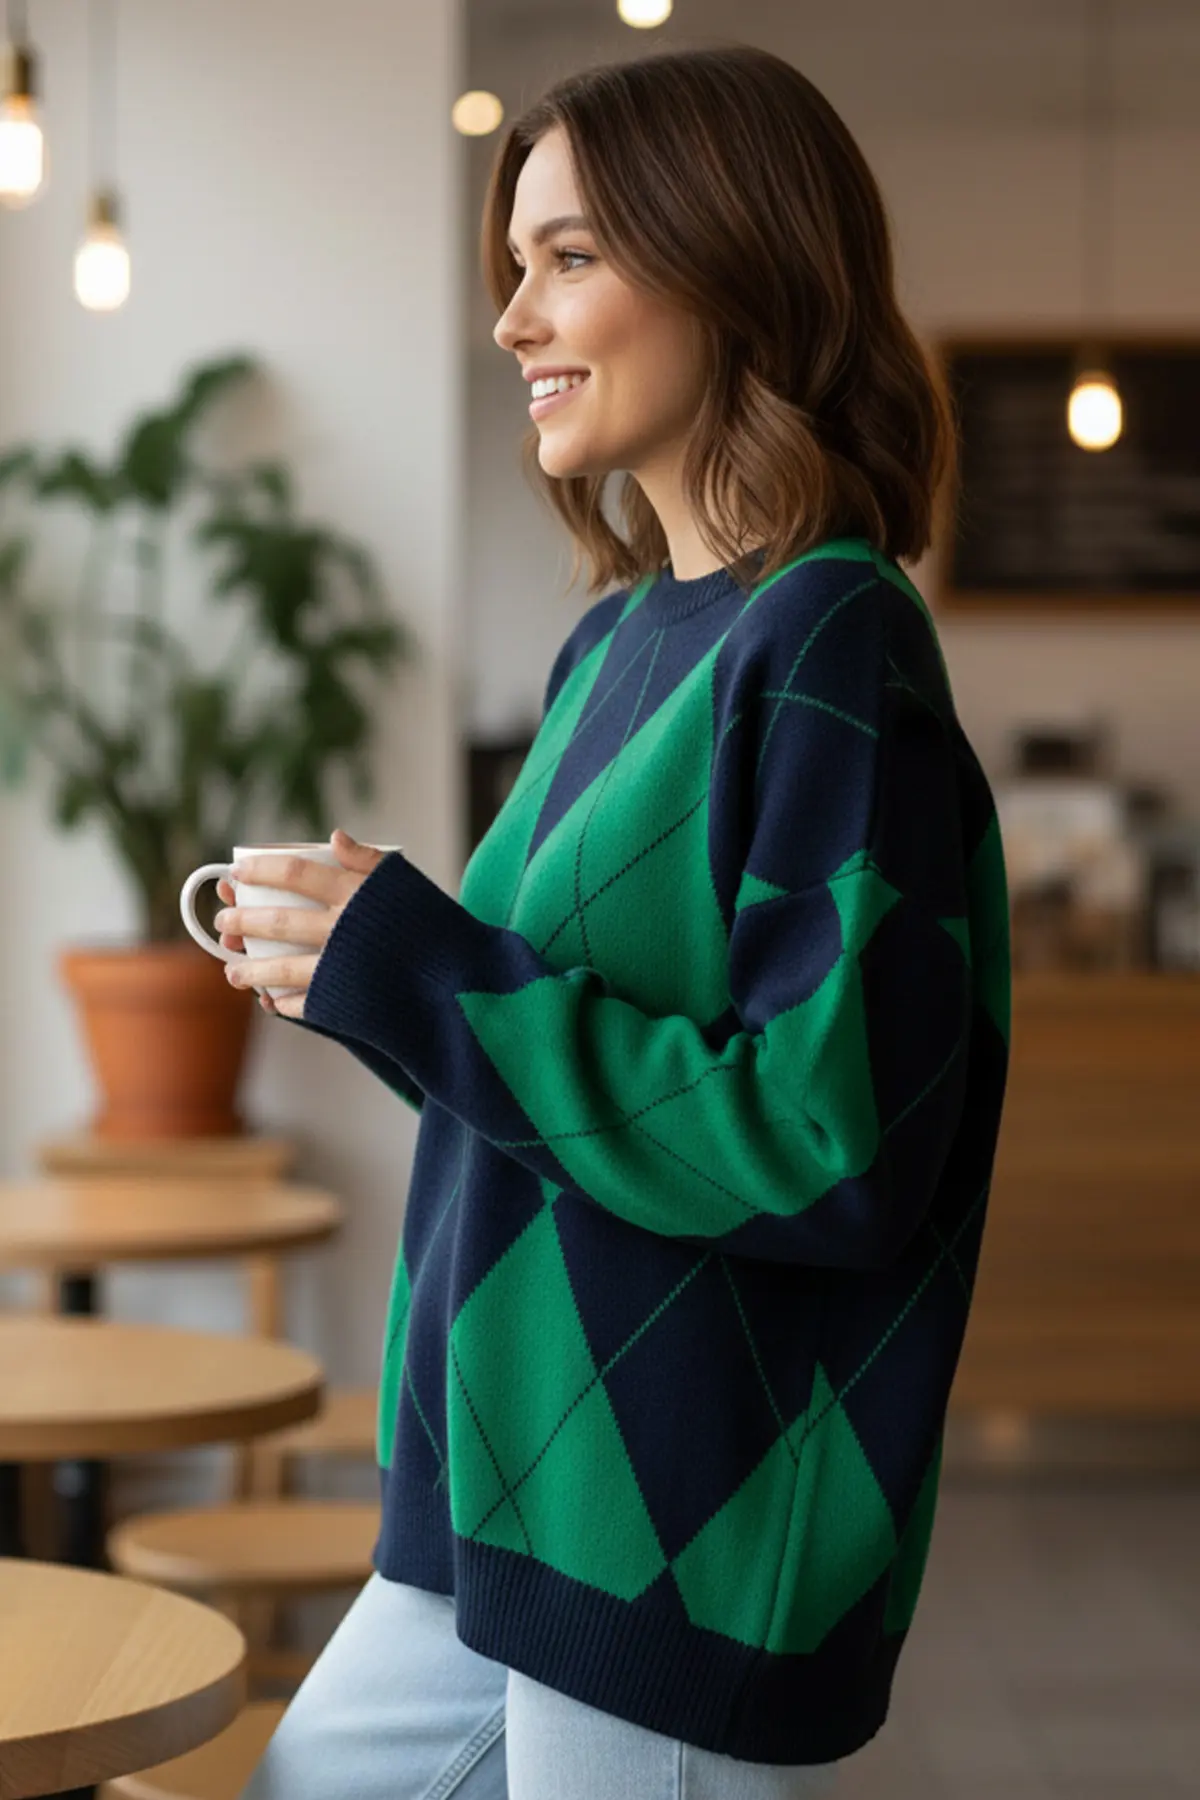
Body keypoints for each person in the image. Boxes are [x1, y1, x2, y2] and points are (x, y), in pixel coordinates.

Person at [225, 43, 1010, 1800]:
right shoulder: (616, 641)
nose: (511, 319)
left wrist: (426, 973)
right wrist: (364, 972)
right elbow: (545, 1049)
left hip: (673, 1517)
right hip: (496, 1501)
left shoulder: (828, 641)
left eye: (568, 257)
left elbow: (829, 1142)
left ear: (734, 263)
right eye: (516, 265)